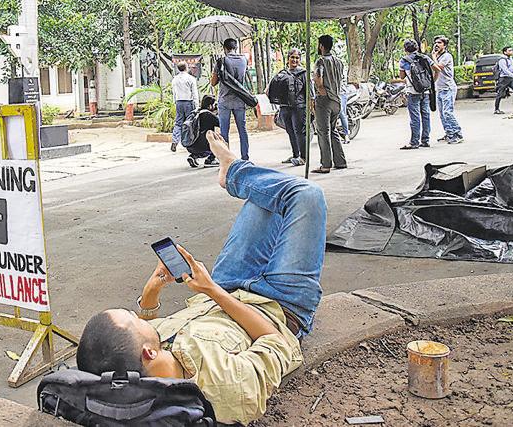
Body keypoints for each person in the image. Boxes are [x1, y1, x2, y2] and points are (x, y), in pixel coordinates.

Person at [76, 131, 324, 425]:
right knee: (305, 195)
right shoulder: (224, 387)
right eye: (135, 319)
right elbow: (277, 341)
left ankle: (236, 171)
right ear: (148, 352)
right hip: (280, 305)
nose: (139, 315)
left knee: (264, 199)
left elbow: (151, 326)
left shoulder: (145, 361)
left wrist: (151, 291)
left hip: (227, 285)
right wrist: (213, 291)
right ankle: (233, 170)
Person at [311, 35, 347, 173]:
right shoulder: (338, 61)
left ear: (321, 46)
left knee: (323, 132)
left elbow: (318, 79)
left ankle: (325, 165)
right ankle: (340, 161)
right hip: (337, 100)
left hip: (324, 101)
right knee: (333, 131)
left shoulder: (320, 61)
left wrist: (320, 90)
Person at [211, 38, 250, 160]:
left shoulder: (221, 61)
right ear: (236, 47)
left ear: (225, 48)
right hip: (240, 100)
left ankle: (225, 159)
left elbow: (213, 82)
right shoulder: (244, 60)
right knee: (242, 130)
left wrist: (217, 67)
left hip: (225, 100)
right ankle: (245, 157)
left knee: (224, 131)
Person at [276, 48, 308, 166]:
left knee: (300, 132)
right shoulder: (282, 73)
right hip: (285, 107)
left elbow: (309, 91)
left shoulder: (303, 73)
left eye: (297, 58)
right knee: (290, 131)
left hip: (299, 107)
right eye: (292, 57)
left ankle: (303, 157)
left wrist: (310, 106)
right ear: (288, 58)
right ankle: (295, 155)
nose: (294, 60)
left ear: (299, 60)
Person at [399, 39, 432, 150]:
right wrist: (431, 83)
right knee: (426, 115)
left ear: (405, 49)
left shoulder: (404, 61)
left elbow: (402, 77)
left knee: (415, 117)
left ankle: (414, 142)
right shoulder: (424, 58)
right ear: (417, 48)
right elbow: (436, 69)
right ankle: (425, 140)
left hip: (413, 91)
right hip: (425, 90)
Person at [431, 35, 463, 144]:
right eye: (436, 42)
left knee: (447, 112)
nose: (437, 44)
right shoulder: (438, 57)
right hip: (439, 88)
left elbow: (439, 67)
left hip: (448, 88)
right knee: (442, 114)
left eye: (439, 43)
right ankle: (449, 133)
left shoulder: (447, 56)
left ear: (444, 45)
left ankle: (457, 134)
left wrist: (433, 56)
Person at [171, 61, 200, 152]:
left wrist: (175, 101)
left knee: (178, 122)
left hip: (179, 102)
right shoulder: (191, 78)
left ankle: (175, 141)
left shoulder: (175, 79)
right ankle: (189, 142)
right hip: (188, 102)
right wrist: (197, 105)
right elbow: (194, 92)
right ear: (186, 68)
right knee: (190, 123)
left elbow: (174, 92)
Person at [185, 95, 220, 168]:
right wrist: (217, 113)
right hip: (202, 146)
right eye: (214, 104)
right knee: (217, 139)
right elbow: (221, 124)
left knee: (201, 138)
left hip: (190, 145)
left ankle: (193, 156)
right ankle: (210, 160)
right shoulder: (209, 115)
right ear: (210, 105)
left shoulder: (195, 112)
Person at [494, 46, 513, 114]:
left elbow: (512, 70)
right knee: (500, 94)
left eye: (511, 50)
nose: (511, 52)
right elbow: (505, 71)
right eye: (509, 51)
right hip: (503, 78)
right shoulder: (502, 60)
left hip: (511, 78)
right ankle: (496, 109)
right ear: (505, 52)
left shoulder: (511, 59)